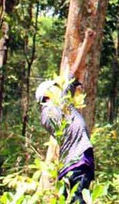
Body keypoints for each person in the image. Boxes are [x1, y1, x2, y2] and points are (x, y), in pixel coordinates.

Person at [35, 28, 96, 203]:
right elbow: (75, 71)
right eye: (55, 86)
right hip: (79, 162)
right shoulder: (57, 102)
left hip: (66, 167)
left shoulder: (45, 116)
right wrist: (87, 43)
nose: (58, 88)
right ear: (48, 93)